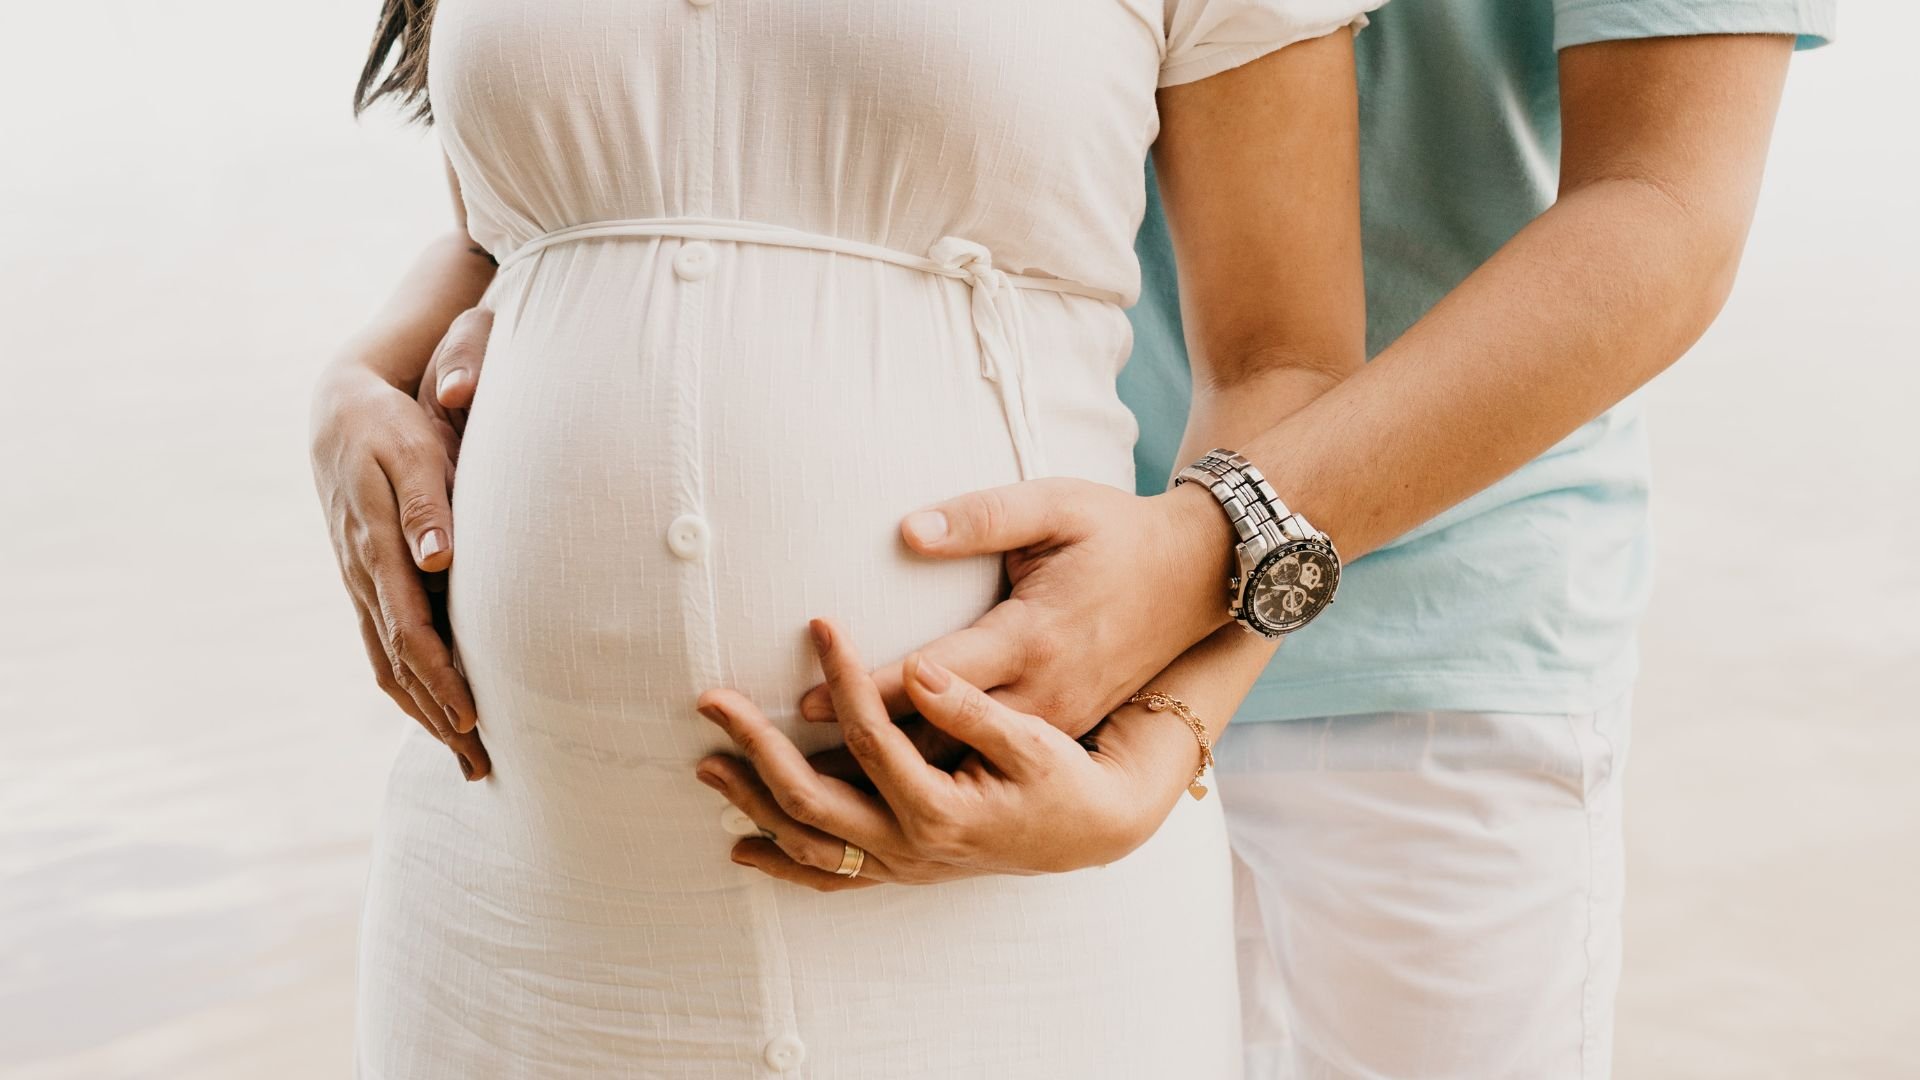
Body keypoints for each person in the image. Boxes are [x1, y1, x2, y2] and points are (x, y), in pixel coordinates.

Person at [310, 0, 1382, 1075]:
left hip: (1006, 904)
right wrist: (360, 379)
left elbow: (1283, 364)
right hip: (514, 894)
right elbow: (509, 231)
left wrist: (1164, 735)